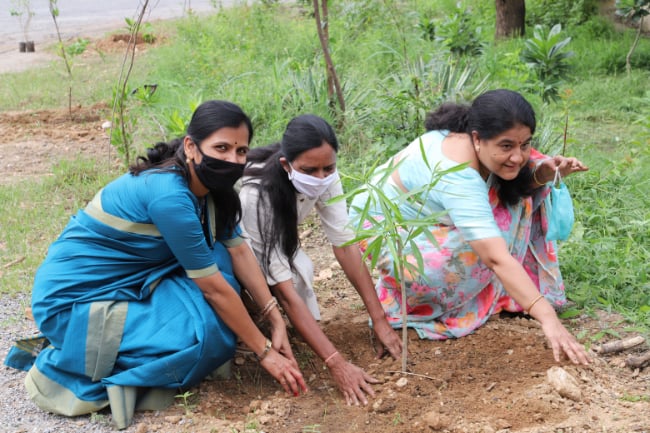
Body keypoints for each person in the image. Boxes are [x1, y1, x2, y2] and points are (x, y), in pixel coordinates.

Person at [4, 100, 307, 429]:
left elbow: (238, 251)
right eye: (221, 148)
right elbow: (214, 291)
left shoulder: (209, 189)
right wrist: (265, 353)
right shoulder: (170, 195)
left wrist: (273, 316)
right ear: (191, 147)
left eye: (240, 151)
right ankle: (74, 357)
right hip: (73, 302)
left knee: (220, 263)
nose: (232, 160)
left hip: (126, 281)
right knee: (204, 332)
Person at [349, 89, 591, 365]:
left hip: (424, 222)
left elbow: (511, 179)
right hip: (389, 235)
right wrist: (548, 319)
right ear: (478, 138)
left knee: (513, 205)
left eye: (524, 145)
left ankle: (503, 293)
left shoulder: (466, 137)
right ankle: (406, 306)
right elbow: (495, 257)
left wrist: (541, 172)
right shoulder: (458, 176)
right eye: (506, 146)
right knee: (488, 244)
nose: (517, 156)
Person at [239, 114, 403, 406]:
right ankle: (248, 321)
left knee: (300, 268)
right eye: (309, 170)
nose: (320, 178)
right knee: (273, 284)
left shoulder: (325, 175)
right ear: (286, 165)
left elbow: (345, 245)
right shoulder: (257, 195)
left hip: (274, 245)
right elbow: (285, 292)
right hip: (233, 249)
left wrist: (380, 320)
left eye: (328, 168)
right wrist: (336, 363)